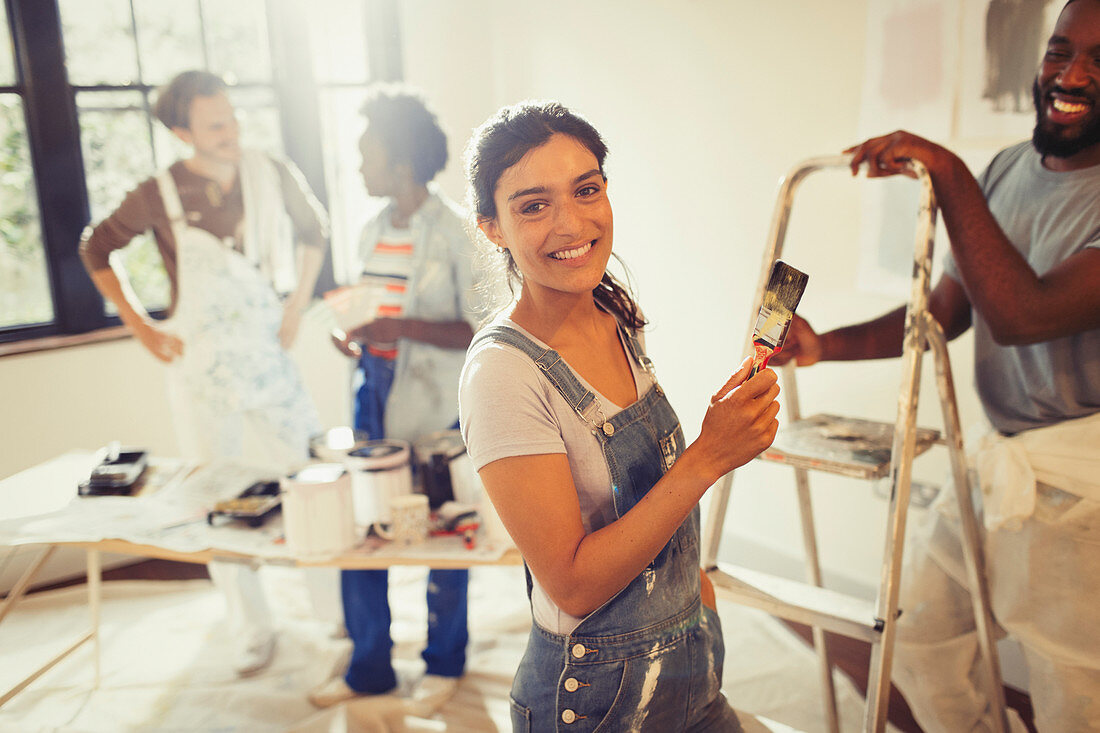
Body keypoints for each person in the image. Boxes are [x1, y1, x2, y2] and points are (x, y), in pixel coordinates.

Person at [771, 2, 1100, 729]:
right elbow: (948, 308)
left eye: (1098, 61)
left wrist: (946, 171)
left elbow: (1023, 314)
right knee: (916, 634)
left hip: (1086, 496)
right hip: (1001, 465)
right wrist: (828, 345)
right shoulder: (1012, 168)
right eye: (1059, 51)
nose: (1071, 75)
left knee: (1074, 698)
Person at [458, 101, 781, 732]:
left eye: (587, 190)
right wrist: (709, 457)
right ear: (492, 227)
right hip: (594, 700)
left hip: (690, 661)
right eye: (532, 205)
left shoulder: (611, 314)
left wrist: (696, 601)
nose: (571, 222)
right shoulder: (502, 374)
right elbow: (572, 585)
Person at [79, 70, 330, 676]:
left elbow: (313, 230)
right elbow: (95, 248)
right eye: (216, 125)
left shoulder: (271, 171)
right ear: (180, 130)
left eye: (234, 118)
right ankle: (252, 627)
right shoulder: (159, 193)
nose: (231, 132)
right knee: (216, 493)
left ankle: (338, 614)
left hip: (268, 358)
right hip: (201, 371)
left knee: (315, 477)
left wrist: (296, 304)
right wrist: (140, 324)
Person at [308, 85, 479, 718]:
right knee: (361, 530)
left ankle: (444, 661)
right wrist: (353, 333)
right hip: (371, 393)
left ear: (400, 161)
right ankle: (369, 665)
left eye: (366, 152)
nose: (358, 165)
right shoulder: (372, 228)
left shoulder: (458, 232)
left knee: (442, 528)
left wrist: (397, 330)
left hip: (435, 402)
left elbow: (481, 329)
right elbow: (373, 311)